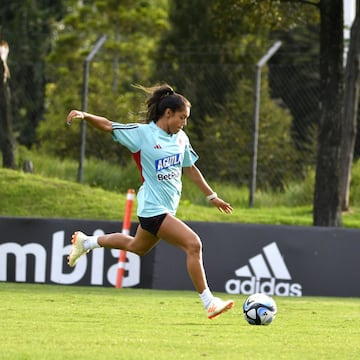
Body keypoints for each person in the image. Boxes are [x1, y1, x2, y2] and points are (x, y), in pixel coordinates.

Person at [66, 84, 234, 319]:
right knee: (193, 245)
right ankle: (209, 301)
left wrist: (212, 196)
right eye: (182, 118)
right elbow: (109, 125)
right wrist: (85, 115)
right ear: (168, 114)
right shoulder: (143, 134)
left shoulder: (181, 138)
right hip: (153, 208)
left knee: (137, 247)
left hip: (166, 209)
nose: (184, 123)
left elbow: (191, 168)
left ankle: (87, 242)